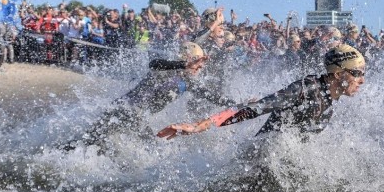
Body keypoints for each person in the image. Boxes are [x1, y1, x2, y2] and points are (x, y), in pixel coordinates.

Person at [157, 43, 366, 140]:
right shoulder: (307, 88)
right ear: (338, 74)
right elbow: (256, 108)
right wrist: (198, 126)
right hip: (257, 166)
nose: (362, 80)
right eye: (357, 73)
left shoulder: (329, 100)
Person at [61, 42, 233, 151]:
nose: (200, 67)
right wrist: (184, 64)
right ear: (187, 59)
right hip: (122, 111)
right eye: (198, 62)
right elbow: (154, 63)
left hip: (134, 116)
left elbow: (214, 97)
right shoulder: (167, 71)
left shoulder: (188, 83)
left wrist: (240, 104)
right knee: (87, 142)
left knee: (98, 146)